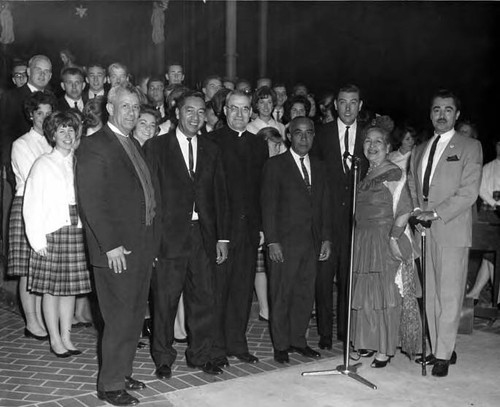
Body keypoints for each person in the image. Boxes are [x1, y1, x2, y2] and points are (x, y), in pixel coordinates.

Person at [76, 83, 157, 406]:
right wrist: (110, 246)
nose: (132, 113)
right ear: (109, 108)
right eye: (125, 106)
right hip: (115, 251)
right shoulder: (95, 145)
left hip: (139, 246)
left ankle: (121, 372)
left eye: (136, 107)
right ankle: (109, 386)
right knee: (119, 317)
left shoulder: (131, 144)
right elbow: (92, 201)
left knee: (135, 316)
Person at [144, 90, 229, 378]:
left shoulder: (212, 149)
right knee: (165, 301)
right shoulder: (156, 147)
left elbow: (219, 196)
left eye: (201, 111)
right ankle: (163, 358)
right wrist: (152, 242)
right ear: (177, 113)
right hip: (169, 238)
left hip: (202, 237)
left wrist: (222, 237)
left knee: (203, 298)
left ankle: (201, 354)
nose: (195, 117)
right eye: (189, 111)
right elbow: (150, 198)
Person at [408, 89, 482, 377]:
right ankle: (437, 347)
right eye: (436, 109)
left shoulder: (469, 146)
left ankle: (443, 354)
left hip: (451, 228)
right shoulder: (419, 149)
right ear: (430, 113)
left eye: (448, 110)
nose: (441, 115)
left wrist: (436, 213)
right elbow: (415, 187)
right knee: (430, 295)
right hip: (425, 232)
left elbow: (469, 192)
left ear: (457, 114)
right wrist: (417, 212)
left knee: (449, 295)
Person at [261, 117, 332, 364]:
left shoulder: (321, 166)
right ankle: (280, 344)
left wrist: (325, 238)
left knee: (304, 293)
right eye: (298, 133)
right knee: (281, 293)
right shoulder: (275, 165)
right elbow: (268, 206)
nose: (304, 138)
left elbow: (325, 206)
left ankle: (298, 340)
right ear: (289, 136)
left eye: (309, 133)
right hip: (284, 243)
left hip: (311, 243)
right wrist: (272, 241)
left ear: (314, 136)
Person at [208, 90, 268, 368]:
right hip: (222, 229)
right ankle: (217, 347)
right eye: (234, 109)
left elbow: (260, 188)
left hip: (249, 228)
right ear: (224, 111)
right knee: (220, 288)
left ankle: (237, 342)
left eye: (245, 109)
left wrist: (261, 226)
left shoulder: (259, 144)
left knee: (243, 288)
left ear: (252, 112)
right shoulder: (212, 141)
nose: (240, 114)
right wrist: (218, 230)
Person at [23, 110, 90, 358]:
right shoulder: (43, 164)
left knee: (70, 289)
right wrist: (36, 239)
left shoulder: (79, 161)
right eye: (61, 130)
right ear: (52, 134)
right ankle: (54, 338)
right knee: (51, 289)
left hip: (76, 230)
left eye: (71, 129)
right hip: (51, 232)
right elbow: (31, 205)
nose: (67, 134)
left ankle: (66, 336)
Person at [350, 121, 418, 368]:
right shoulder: (364, 172)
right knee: (368, 295)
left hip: (384, 238)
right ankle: (369, 340)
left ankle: (385, 349)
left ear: (388, 146)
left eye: (378, 141)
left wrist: (393, 237)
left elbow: (404, 209)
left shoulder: (393, 172)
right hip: (363, 239)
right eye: (368, 141)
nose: (372, 145)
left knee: (386, 296)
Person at [312, 84, 369, 350]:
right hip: (326, 220)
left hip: (357, 222)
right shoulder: (321, 134)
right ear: (335, 105)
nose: (348, 107)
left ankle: (346, 332)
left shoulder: (370, 137)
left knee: (349, 278)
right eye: (343, 102)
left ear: (360, 105)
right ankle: (324, 332)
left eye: (353, 102)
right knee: (324, 279)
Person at [7, 91, 57, 340]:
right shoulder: (21, 144)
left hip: (50, 208)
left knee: (42, 267)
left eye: (49, 114)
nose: (45, 118)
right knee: (28, 268)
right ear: (31, 115)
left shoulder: (54, 141)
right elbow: (33, 179)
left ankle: (40, 320)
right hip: (28, 206)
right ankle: (31, 322)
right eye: (40, 114)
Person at [466, 137, 500, 305]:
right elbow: (480, 189)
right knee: (490, 254)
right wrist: (496, 204)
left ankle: (475, 293)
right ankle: (491, 297)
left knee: (492, 257)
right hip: (490, 214)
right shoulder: (488, 167)